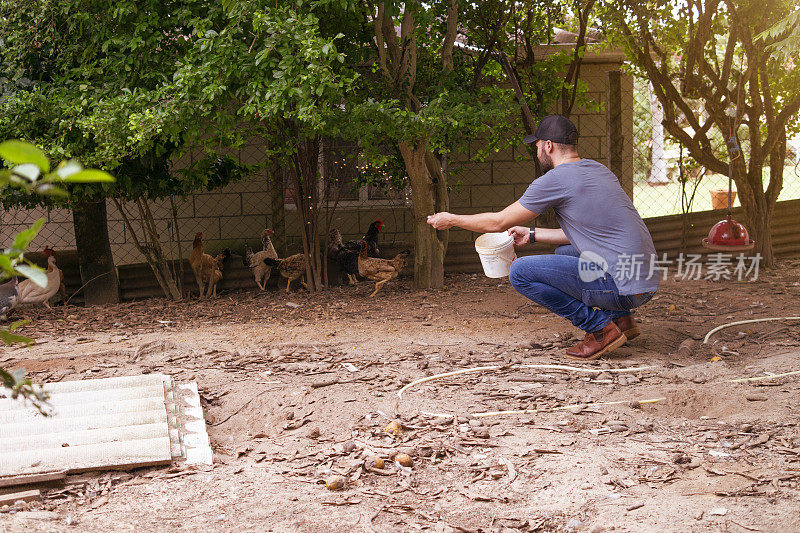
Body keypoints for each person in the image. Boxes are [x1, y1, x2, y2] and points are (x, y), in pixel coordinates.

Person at [427, 115, 659, 360]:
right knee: (565, 253)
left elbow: (498, 222)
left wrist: (451, 219)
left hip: (622, 289)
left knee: (520, 272)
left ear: (548, 145)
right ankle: (622, 320)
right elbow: (588, 235)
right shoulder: (598, 170)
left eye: (537, 146)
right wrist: (533, 234)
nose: (537, 152)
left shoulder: (554, 180)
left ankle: (600, 329)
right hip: (645, 282)